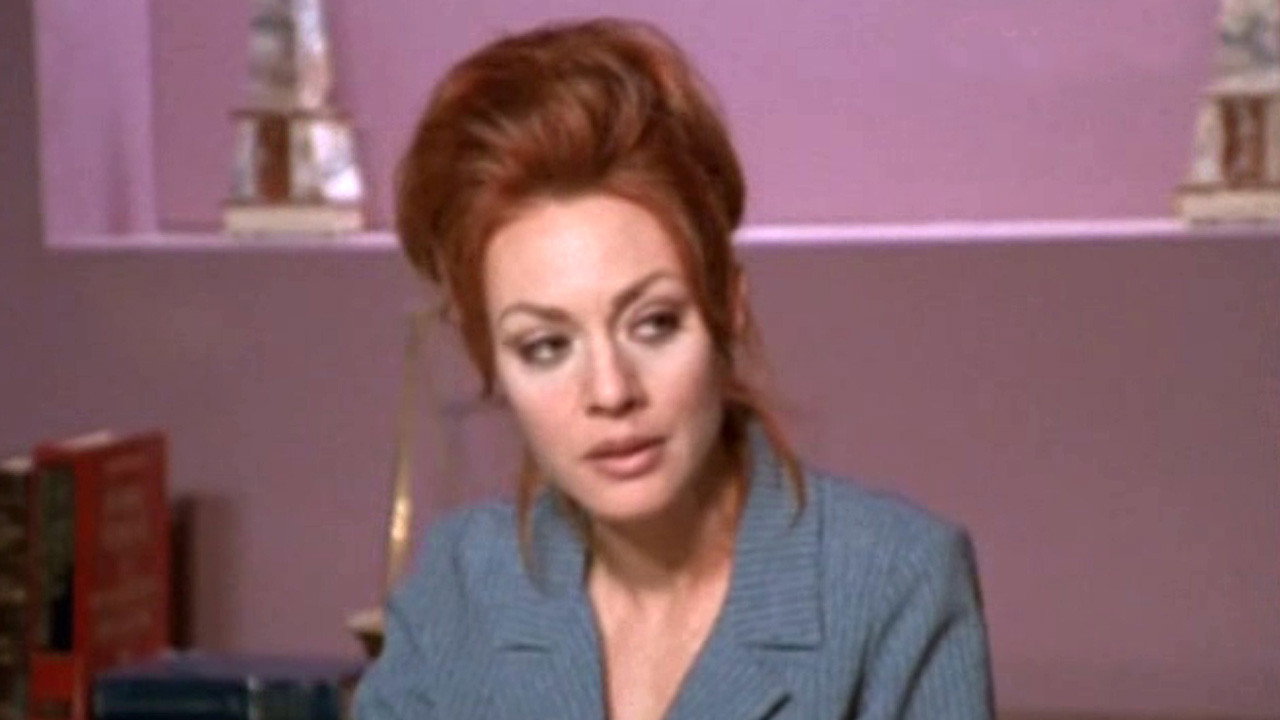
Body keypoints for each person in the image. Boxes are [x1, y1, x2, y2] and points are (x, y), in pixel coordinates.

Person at [354, 18, 994, 720]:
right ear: (491, 363)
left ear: (729, 307)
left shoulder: (895, 583)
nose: (611, 391)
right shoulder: (456, 589)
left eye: (654, 323)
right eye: (546, 347)